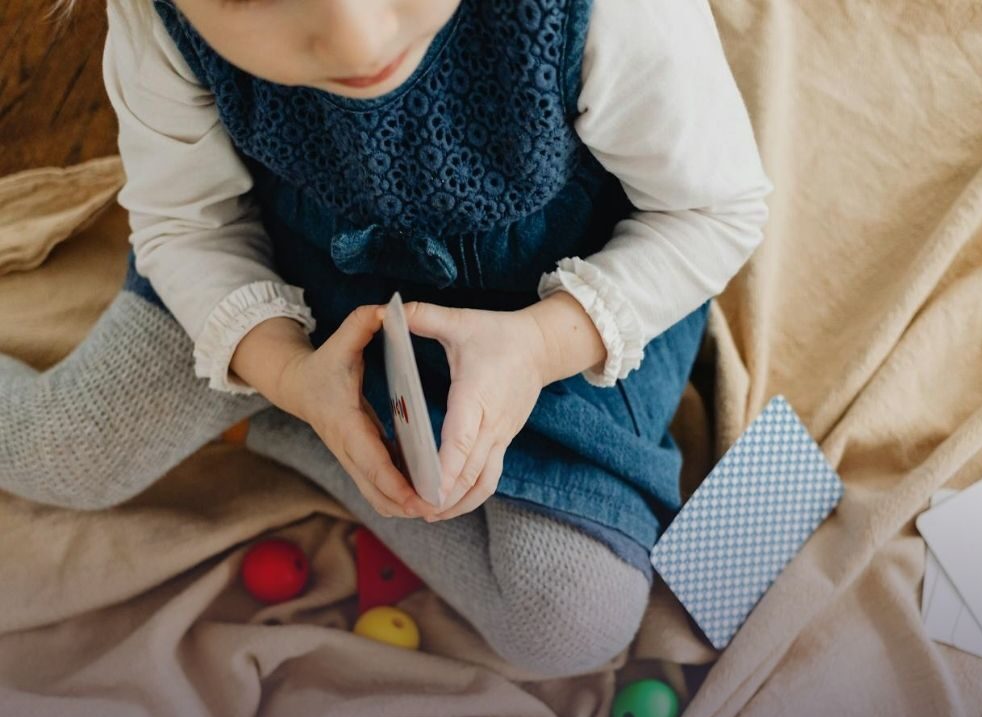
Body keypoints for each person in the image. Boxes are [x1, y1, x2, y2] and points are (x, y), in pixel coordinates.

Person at [2, 0, 771, 675]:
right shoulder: (159, 19)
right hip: (278, 273)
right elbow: (188, 227)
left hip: (555, 303)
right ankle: (291, 410)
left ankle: (281, 432)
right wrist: (283, 369)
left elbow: (715, 212)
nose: (357, 40)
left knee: (571, 624)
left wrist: (539, 345)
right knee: (59, 452)